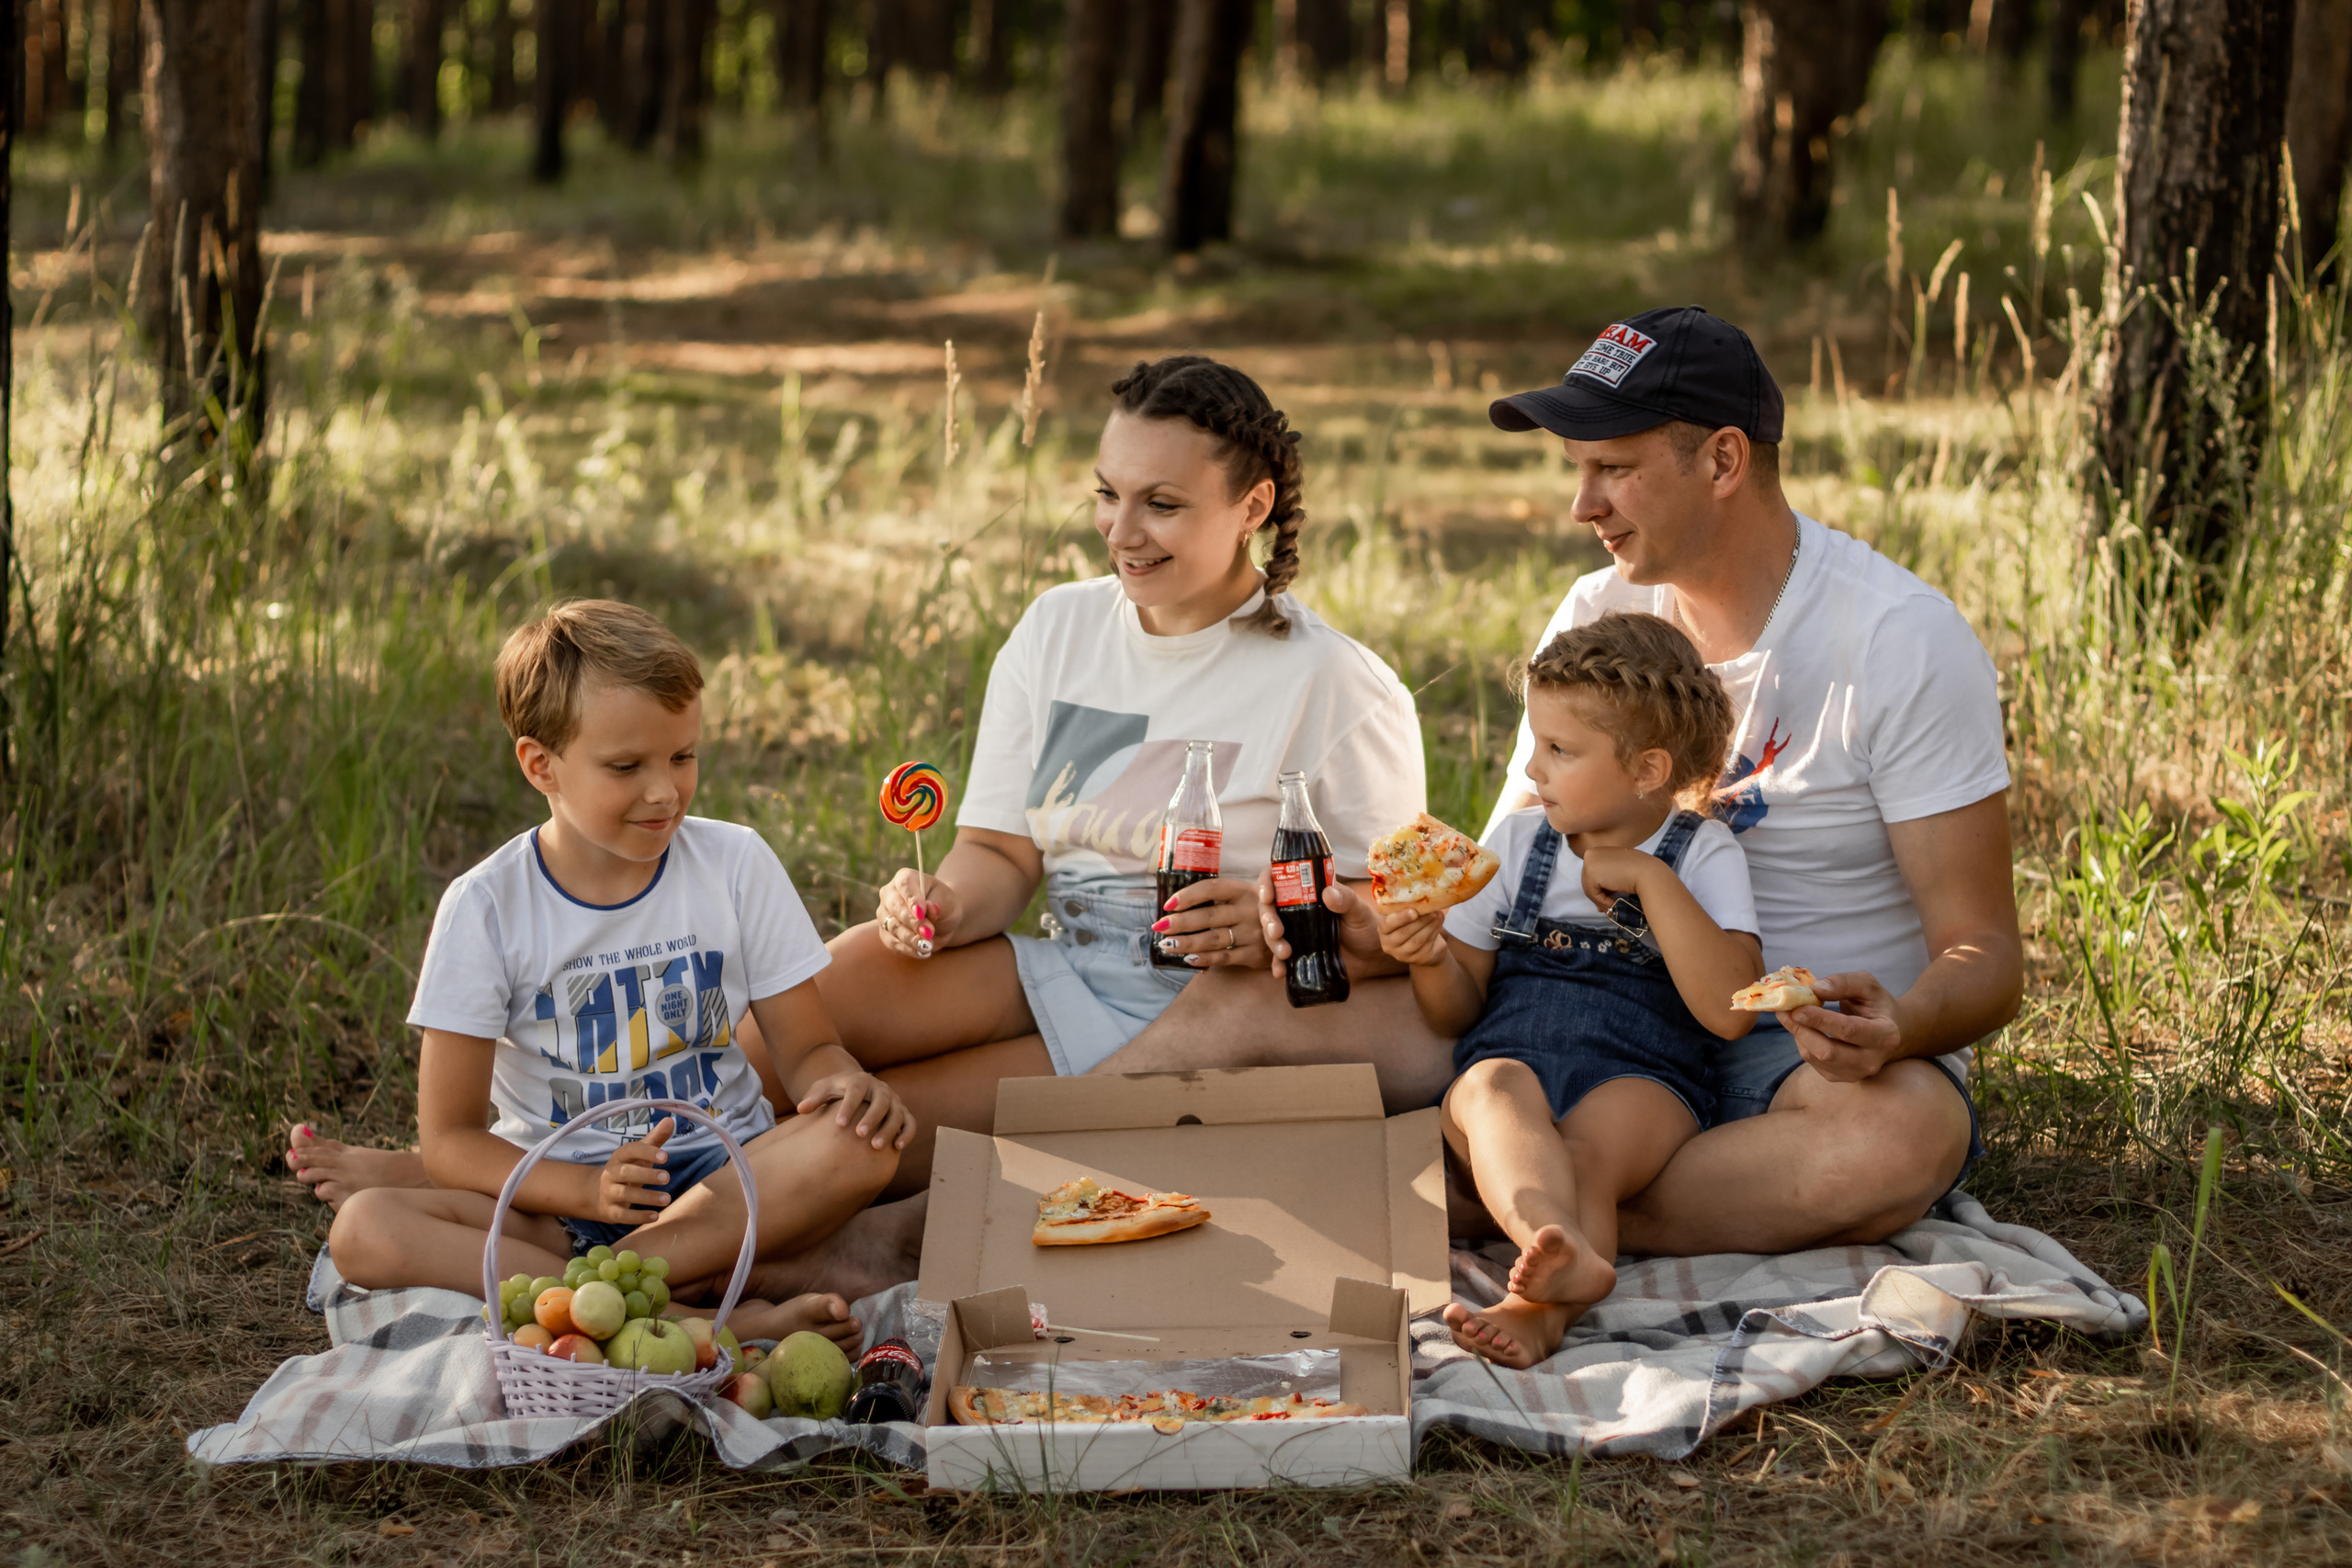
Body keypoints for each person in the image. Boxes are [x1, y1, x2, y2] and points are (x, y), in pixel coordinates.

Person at [1461, 304, 2024, 1257]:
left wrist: (1903, 1022)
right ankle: (1569, 1196)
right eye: (1578, 470)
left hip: (1791, 1055)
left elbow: (1984, 953)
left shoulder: (1898, 639)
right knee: (1338, 1001)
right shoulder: (1599, 609)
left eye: (1615, 469)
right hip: (1586, 1006)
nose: (1581, 506)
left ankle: (1522, 1205)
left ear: (1722, 461)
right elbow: (1520, 838)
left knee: (1904, 1134)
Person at [812, 356, 1437, 1193]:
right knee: (811, 1003)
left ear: (1252, 508)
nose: (1121, 529)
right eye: (1109, 493)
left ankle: (747, 1233)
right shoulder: (1056, 628)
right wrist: (948, 900)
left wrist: (1275, 932)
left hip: (1194, 1006)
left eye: (1163, 504)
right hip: (1063, 959)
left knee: (868, 1127)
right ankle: (610, 1169)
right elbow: (998, 852)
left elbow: (1397, 926)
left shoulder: (1339, 684)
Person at [325, 602, 919, 1339]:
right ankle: (692, 1303)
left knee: (862, 1141)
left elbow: (806, 1052)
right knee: (365, 1227)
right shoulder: (487, 907)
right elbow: (449, 1139)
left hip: (731, 1179)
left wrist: (842, 1081)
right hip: (560, 1205)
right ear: (541, 764)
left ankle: (619, 1295)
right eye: (626, 766)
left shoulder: (734, 863)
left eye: (683, 755)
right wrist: (584, 1187)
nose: (664, 790)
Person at [1380, 613, 1764, 1367]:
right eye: (1537, 745)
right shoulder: (1516, 846)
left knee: (1588, 1153)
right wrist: (1427, 959)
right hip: (1514, 1062)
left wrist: (1651, 880)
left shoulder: (1700, 852)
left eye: (1559, 751)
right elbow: (1458, 1012)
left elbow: (1729, 1014)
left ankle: (1538, 1302)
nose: (1533, 772)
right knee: (1490, 1084)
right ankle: (1558, 1251)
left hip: (1642, 1077)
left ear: (1648, 769)